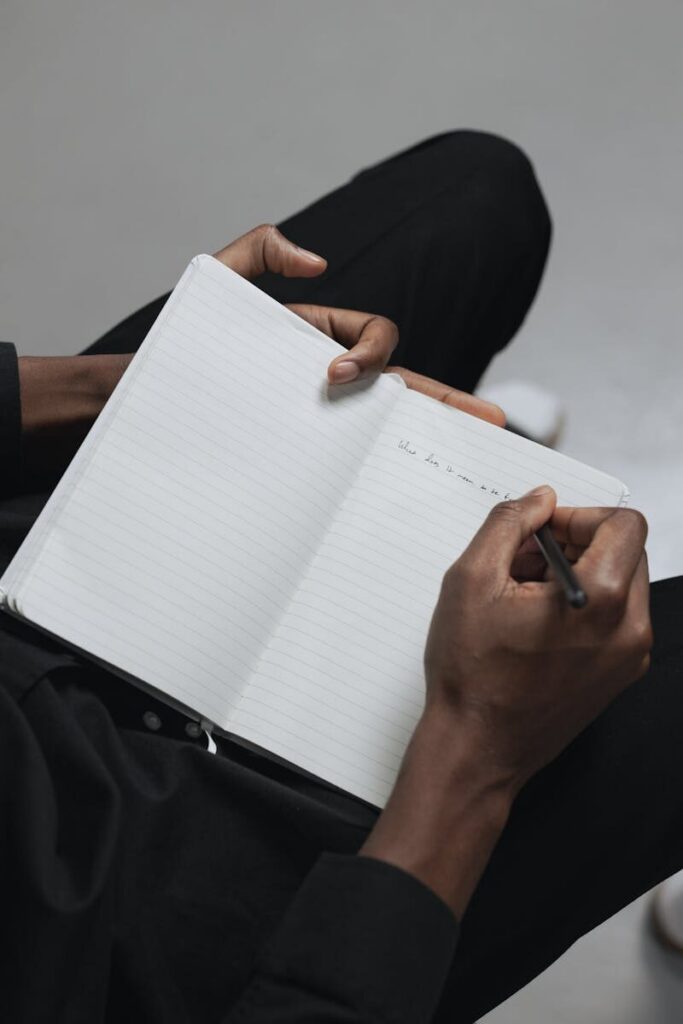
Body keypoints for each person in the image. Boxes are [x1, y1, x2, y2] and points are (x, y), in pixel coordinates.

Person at [0, 131, 681, 1023]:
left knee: (475, 196)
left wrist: (98, 390)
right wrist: (473, 757)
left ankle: (436, 475)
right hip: (149, 931)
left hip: (28, 578)